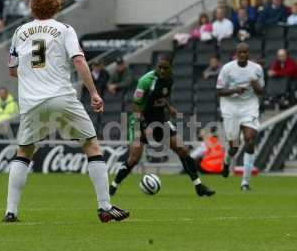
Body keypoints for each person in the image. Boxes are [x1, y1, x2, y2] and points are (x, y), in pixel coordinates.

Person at [3, 0, 129, 223]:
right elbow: (79, 60)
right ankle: (104, 207)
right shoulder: (64, 30)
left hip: (31, 102)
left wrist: (33, 78)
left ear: (32, 8)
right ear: (57, 7)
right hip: (61, 96)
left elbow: (12, 69)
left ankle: (11, 211)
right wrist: (93, 92)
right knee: (91, 145)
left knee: (24, 152)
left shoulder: (19, 32)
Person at [109, 57, 215, 197]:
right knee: (134, 158)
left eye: (165, 68)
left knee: (182, 150)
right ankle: (113, 186)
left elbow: (161, 96)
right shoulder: (145, 81)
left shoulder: (169, 79)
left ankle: (199, 186)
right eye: (159, 67)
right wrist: (145, 125)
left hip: (160, 119)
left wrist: (169, 108)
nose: (161, 70)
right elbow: (135, 105)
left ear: (171, 68)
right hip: (140, 120)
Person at [216, 42, 265, 191]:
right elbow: (219, 91)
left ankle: (245, 181)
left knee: (250, 140)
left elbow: (260, 92)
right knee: (234, 147)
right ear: (236, 54)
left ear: (248, 53)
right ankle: (226, 161)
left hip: (249, 106)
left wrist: (255, 84)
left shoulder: (256, 69)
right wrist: (235, 90)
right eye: (240, 52)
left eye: (245, 52)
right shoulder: (227, 69)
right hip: (230, 107)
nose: (243, 55)